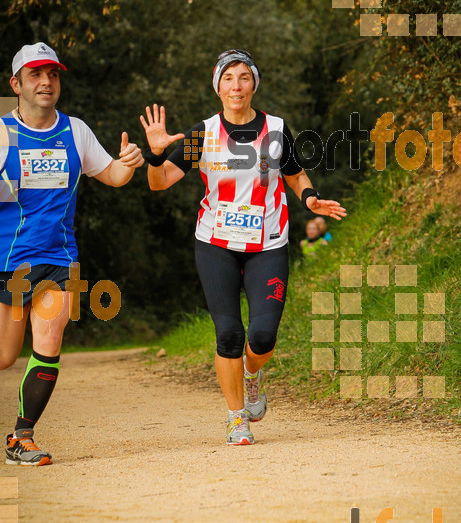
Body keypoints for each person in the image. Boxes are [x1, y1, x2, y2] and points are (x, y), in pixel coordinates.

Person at [141, 49, 346, 446]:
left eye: (244, 77)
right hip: (215, 243)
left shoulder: (276, 128)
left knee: (263, 336)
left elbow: (295, 174)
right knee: (229, 335)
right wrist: (154, 154)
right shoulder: (201, 134)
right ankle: (237, 419)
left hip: (268, 243)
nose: (236, 85)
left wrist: (311, 199)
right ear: (217, 86)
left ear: (254, 84)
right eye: (228, 78)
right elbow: (159, 182)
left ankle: (252, 374)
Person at [0, 42, 144, 466]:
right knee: (5, 356)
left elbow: (113, 175)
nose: (46, 82)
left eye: (53, 74)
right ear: (17, 84)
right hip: (9, 264)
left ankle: (21, 437)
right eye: (35, 75)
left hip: (60, 260)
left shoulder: (75, 131)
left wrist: (130, 162)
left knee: (50, 336)